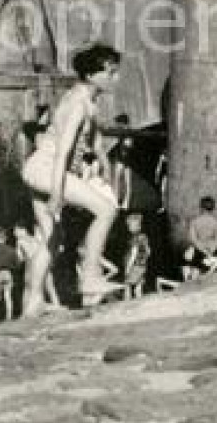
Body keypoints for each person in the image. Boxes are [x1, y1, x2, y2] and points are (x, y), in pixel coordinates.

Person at [20, 43, 124, 305]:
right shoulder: (78, 104)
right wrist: (57, 194)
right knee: (106, 211)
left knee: (52, 239)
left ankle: (32, 304)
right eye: (110, 72)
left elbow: (97, 145)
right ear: (91, 76)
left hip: (39, 167)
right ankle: (89, 276)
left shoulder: (84, 100)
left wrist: (107, 174)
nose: (115, 78)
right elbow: (63, 153)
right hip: (47, 169)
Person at [13, 222, 54, 317]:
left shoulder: (20, 241)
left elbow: (20, 258)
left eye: (16, 230)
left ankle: (25, 312)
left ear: (23, 230)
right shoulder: (35, 239)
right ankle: (55, 305)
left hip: (30, 265)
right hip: (42, 266)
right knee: (47, 288)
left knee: (27, 289)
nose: (14, 233)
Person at [121, 212, 152, 297]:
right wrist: (143, 260)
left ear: (137, 226)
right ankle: (139, 306)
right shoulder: (144, 237)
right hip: (142, 265)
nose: (129, 228)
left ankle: (127, 304)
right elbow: (149, 251)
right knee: (138, 287)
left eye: (130, 226)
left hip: (134, 266)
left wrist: (128, 267)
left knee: (127, 285)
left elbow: (133, 253)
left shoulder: (135, 238)